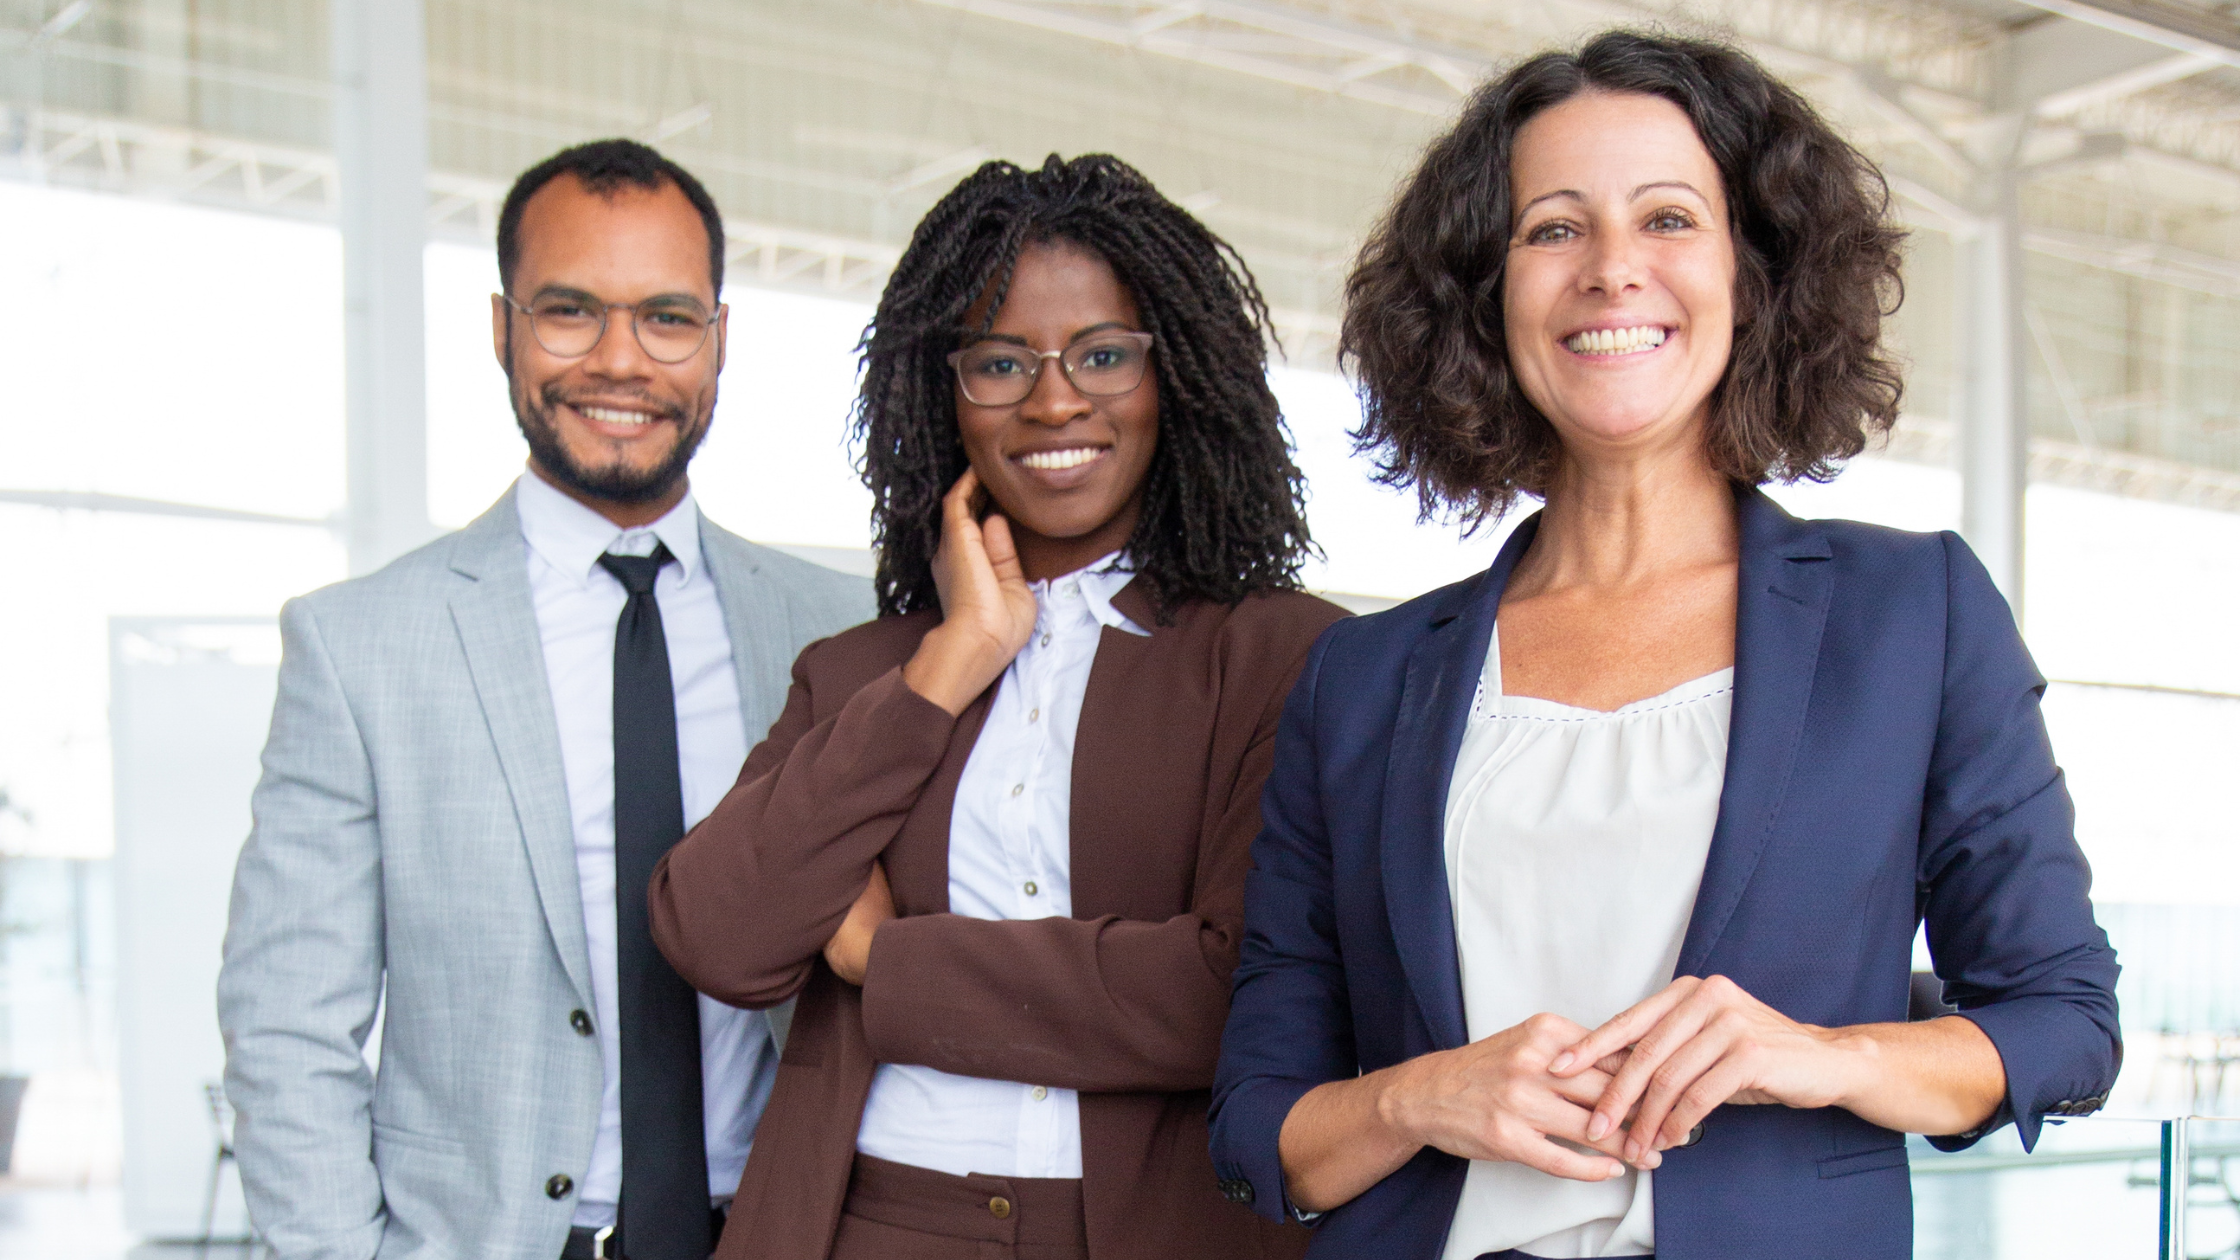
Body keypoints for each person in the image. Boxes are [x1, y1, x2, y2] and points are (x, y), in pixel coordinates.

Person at [1208, 32, 2120, 1260]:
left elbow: (2061, 1024)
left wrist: (1816, 1057)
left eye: (1668, 219)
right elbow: (1260, 1127)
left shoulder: (1912, 616)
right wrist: (1417, 1096)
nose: (1609, 271)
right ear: (1484, 293)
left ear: (1754, 274)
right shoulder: (1364, 680)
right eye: (1552, 229)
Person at [647, 154, 1341, 1260]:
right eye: (1000, 362)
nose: (1054, 398)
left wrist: (888, 962)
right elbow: (719, 935)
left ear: (1181, 379)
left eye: (1104, 355)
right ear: (944, 392)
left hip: (1156, 1234)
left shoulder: (1283, 657)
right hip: (866, 1224)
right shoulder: (861, 672)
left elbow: (1227, 995)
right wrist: (952, 662)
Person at [219, 139, 873, 1260]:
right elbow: (287, 1025)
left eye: (666, 318)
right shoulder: (360, 646)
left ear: (719, 342)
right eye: (570, 312)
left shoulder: (840, 632)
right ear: (501, 327)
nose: (620, 362)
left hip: (791, 1232)